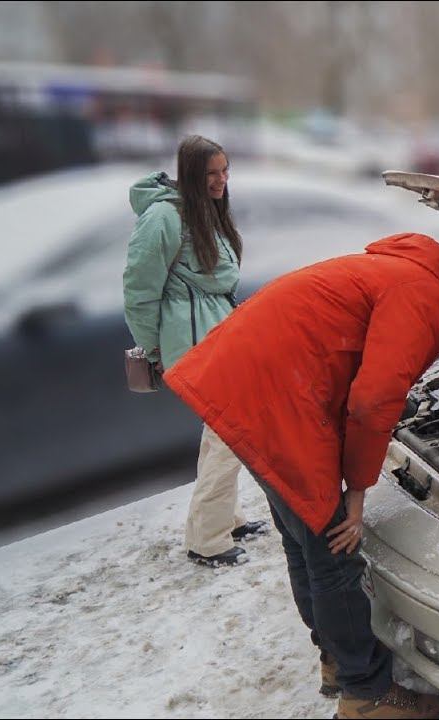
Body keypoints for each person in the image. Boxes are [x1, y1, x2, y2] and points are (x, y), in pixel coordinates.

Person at [164, 231, 439, 719]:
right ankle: (366, 694)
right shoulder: (422, 288)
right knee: (334, 550)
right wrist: (357, 491)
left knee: (303, 540)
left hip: (249, 385)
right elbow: (372, 400)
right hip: (279, 399)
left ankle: (338, 660)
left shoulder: (395, 268)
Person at [123, 134, 267, 569]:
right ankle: (207, 540)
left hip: (216, 336)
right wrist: (154, 349)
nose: (221, 180)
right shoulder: (164, 218)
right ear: (189, 174)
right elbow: (138, 292)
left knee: (221, 434)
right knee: (232, 433)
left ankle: (225, 519)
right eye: (211, 174)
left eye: (225, 171)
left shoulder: (203, 211)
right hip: (192, 344)